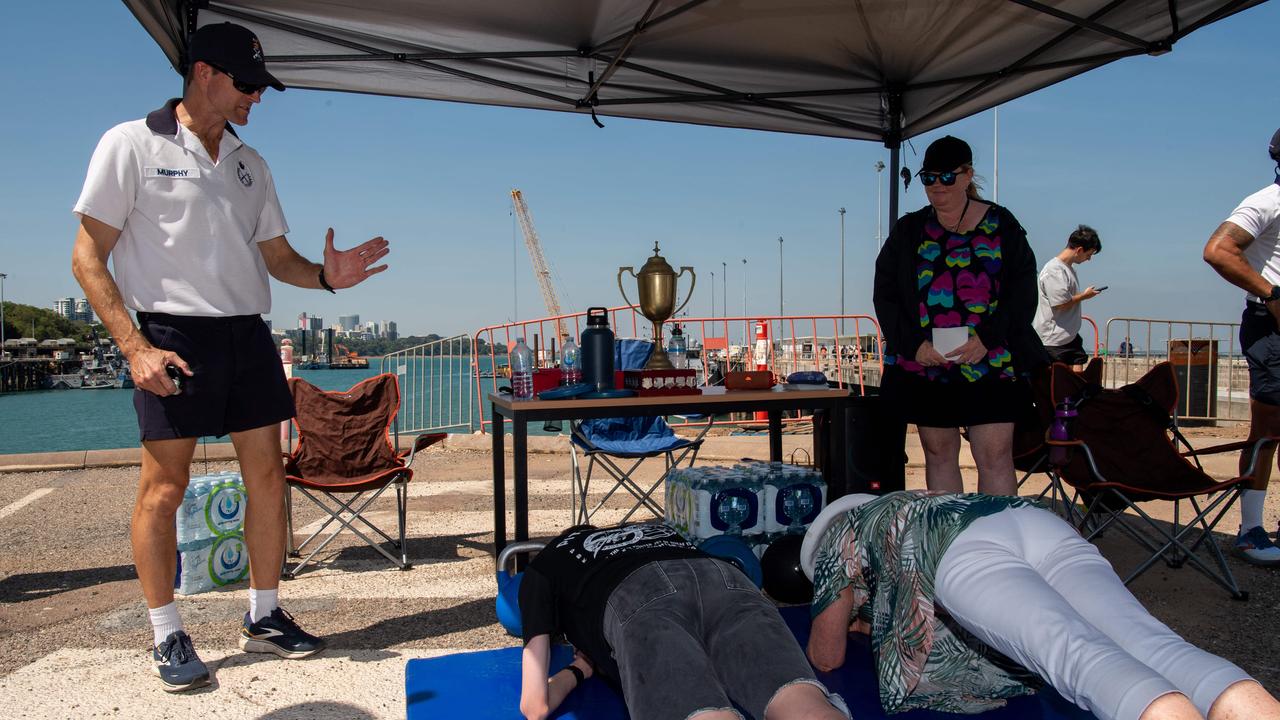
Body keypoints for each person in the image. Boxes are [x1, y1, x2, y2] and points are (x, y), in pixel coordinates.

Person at [70, 22, 391, 692]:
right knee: (164, 489)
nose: (257, 98)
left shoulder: (251, 165)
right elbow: (86, 256)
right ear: (205, 74)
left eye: (261, 87)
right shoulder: (130, 144)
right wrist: (133, 347)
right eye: (247, 85)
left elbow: (278, 261)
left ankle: (265, 616)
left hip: (247, 336)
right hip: (171, 335)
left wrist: (329, 278)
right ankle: (166, 633)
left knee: (269, 478)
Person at [801, 491, 1280, 720]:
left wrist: (845, 618)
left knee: (1083, 659)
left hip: (961, 552)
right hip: (1036, 523)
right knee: (1157, 647)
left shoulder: (838, 540)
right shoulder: (908, 504)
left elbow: (826, 655)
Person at [518, 522, 849, 720]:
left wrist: (579, 670)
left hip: (638, 595)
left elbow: (534, 706)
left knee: (702, 713)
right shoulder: (654, 529)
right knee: (802, 705)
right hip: (724, 579)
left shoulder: (546, 564)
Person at [873, 135, 1047, 496]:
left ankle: (997, 545)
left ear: (967, 175)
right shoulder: (909, 230)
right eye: (928, 178)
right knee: (938, 454)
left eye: (947, 177)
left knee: (995, 456)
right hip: (928, 365)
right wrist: (913, 345)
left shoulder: (1003, 225)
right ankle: (948, 541)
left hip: (990, 361)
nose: (937, 186)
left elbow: (1023, 291)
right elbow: (885, 294)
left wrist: (987, 338)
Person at [1202, 127, 1280, 566]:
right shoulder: (1266, 201)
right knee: (1268, 431)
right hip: (1271, 330)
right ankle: (1250, 531)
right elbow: (1218, 250)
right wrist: (1273, 295)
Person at [1034, 225, 1104, 370]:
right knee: (1060, 383)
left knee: (1076, 378)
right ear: (1079, 250)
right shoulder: (1054, 270)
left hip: (1068, 335)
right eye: (1088, 254)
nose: (1089, 259)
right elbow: (1060, 303)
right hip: (1054, 339)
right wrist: (1085, 296)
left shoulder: (1068, 268)